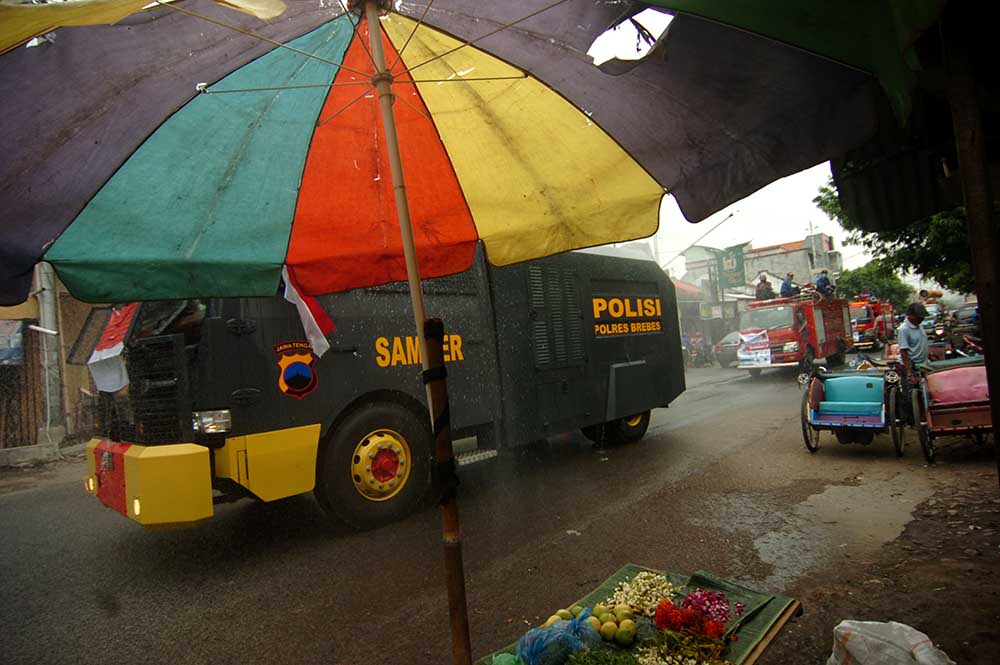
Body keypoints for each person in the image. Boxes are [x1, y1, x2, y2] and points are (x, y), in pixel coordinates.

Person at [897, 302, 930, 422]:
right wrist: (909, 371)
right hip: (911, 365)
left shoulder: (919, 326)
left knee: (926, 393)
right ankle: (913, 420)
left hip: (924, 364)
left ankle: (925, 415)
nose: (922, 319)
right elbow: (904, 351)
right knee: (911, 395)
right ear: (911, 316)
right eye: (919, 316)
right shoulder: (904, 329)